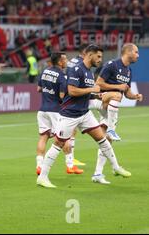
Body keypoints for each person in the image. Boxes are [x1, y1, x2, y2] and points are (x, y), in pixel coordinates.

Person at [36, 45, 131, 188]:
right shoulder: (76, 69)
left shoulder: (88, 72)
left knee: (103, 139)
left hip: (84, 113)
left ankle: (115, 167)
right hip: (69, 115)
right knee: (58, 144)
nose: (100, 60)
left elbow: (86, 92)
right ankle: (42, 178)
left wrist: (98, 95)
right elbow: (72, 91)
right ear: (90, 55)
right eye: (98, 56)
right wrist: (92, 89)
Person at [36, 52, 83, 176]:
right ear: (60, 62)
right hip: (56, 111)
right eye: (65, 59)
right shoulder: (62, 76)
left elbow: (39, 89)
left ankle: (39, 165)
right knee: (64, 137)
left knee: (43, 137)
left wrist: (49, 92)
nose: (67, 61)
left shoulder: (45, 71)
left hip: (42, 110)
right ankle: (70, 166)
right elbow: (62, 96)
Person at [95, 43, 143, 141]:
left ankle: (102, 154)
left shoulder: (128, 71)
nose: (138, 55)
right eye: (136, 52)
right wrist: (118, 87)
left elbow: (127, 92)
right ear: (128, 52)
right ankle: (111, 130)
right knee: (117, 94)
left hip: (111, 105)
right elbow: (98, 83)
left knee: (106, 140)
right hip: (100, 99)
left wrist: (135, 96)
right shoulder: (112, 65)